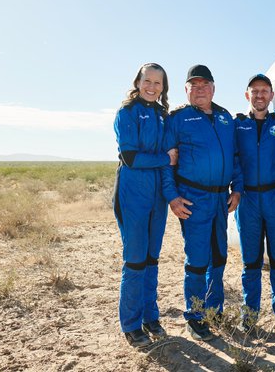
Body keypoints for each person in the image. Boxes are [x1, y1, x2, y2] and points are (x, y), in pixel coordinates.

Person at [161, 64, 243, 341]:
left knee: (218, 257)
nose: (199, 90)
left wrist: (238, 189)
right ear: (186, 90)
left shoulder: (225, 118)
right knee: (197, 260)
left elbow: (235, 157)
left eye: (204, 84)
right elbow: (167, 163)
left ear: (213, 87)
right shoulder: (178, 119)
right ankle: (195, 317)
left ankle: (214, 309)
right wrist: (172, 196)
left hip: (221, 198)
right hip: (193, 198)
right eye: (193, 85)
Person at [112, 63, 178, 349]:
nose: (152, 87)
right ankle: (131, 324)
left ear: (164, 87)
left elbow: (168, 157)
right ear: (138, 82)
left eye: (158, 83)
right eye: (147, 81)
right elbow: (131, 158)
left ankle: (151, 317)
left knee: (152, 258)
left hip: (157, 197)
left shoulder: (163, 116)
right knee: (136, 259)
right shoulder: (126, 113)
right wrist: (165, 158)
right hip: (132, 192)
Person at [234, 74, 275, 336]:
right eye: (254, 91)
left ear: (272, 96)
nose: (260, 95)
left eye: (265, 91)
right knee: (251, 262)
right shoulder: (237, 125)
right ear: (247, 95)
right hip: (248, 199)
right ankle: (250, 315)